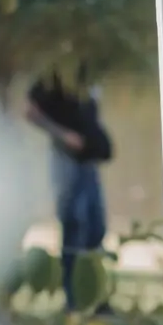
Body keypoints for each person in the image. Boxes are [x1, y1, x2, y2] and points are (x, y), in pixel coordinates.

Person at [25, 65, 113, 308]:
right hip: (66, 160)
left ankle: (95, 301)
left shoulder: (87, 68)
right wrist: (62, 135)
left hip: (89, 162)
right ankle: (74, 303)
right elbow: (31, 112)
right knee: (75, 226)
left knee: (96, 229)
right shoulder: (53, 71)